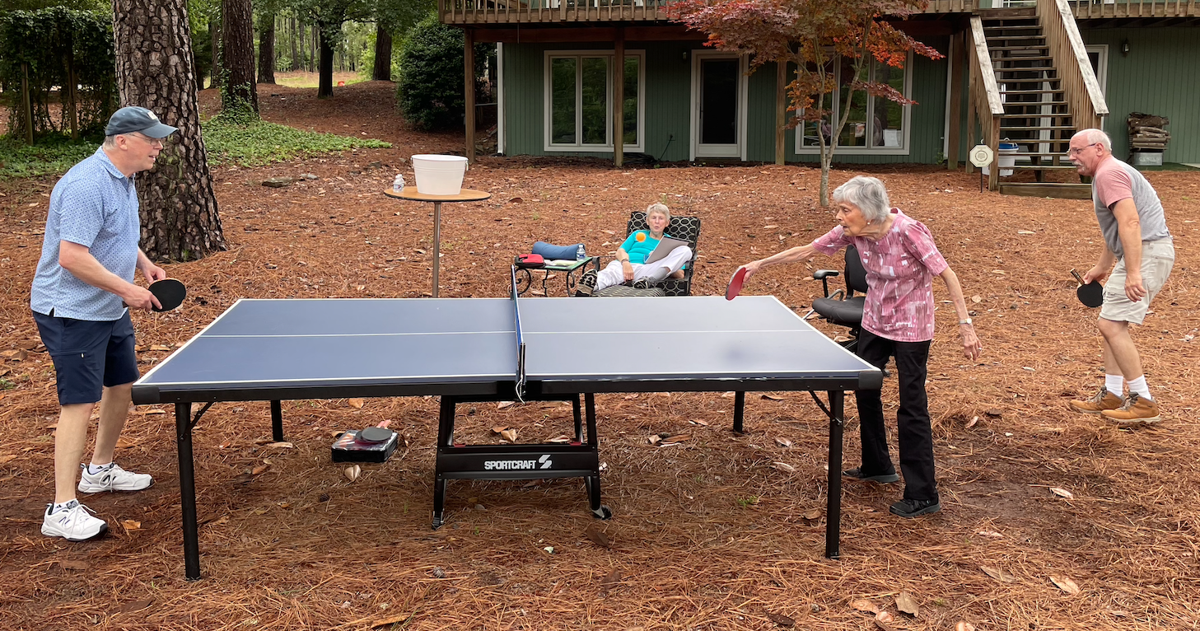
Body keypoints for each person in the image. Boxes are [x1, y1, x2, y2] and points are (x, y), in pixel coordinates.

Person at [741, 176, 981, 518]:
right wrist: (759, 264)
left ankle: (923, 493)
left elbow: (946, 274)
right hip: (875, 321)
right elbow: (808, 249)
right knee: (864, 389)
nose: (839, 216)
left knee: (911, 406)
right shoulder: (851, 233)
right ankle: (878, 465)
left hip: (912, 327)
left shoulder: (908, 231)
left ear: (868, 212)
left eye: (845, 209)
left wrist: (965, 325)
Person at [30, 106, 177, 541]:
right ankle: (61, 507)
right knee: (79, 401)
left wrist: (145, 265)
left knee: (122, 385)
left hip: (107, 308)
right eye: (152, 138)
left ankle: (100, 469)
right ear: (123, 140)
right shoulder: (85, 184)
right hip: (72, 312)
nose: (159, 145)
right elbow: (72, 257)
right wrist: (127, 291)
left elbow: (117, 236)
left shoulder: (124, 179)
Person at [1066, 129, 1173, 425]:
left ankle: (1145, 402)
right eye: (1070, 152)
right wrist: (1103, 266)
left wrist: (1134, 271)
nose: (1071, 157)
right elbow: (1116, 228)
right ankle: (1112, 393)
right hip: (1141, 251)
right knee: (1111, 321)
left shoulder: (1108, 174)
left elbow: (1130, 221)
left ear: (1098, 148)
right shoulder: (1109, 173)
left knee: (1110, 323)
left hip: (1147, 251)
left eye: (1077, 151)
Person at [574, 202, 692, 296]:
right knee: (609, 274)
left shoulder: (672, 243)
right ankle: (588, 287)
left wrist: (663, 259)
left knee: (686, 250)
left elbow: (680, 275)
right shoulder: (638, 234)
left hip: (649, 272)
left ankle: (650, 281)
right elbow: (620, 251)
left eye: (660, 218)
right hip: (625, 267)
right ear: (647, 221)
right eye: (653, 218)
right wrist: (626, 263)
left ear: (667, 223)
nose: (657, 222)